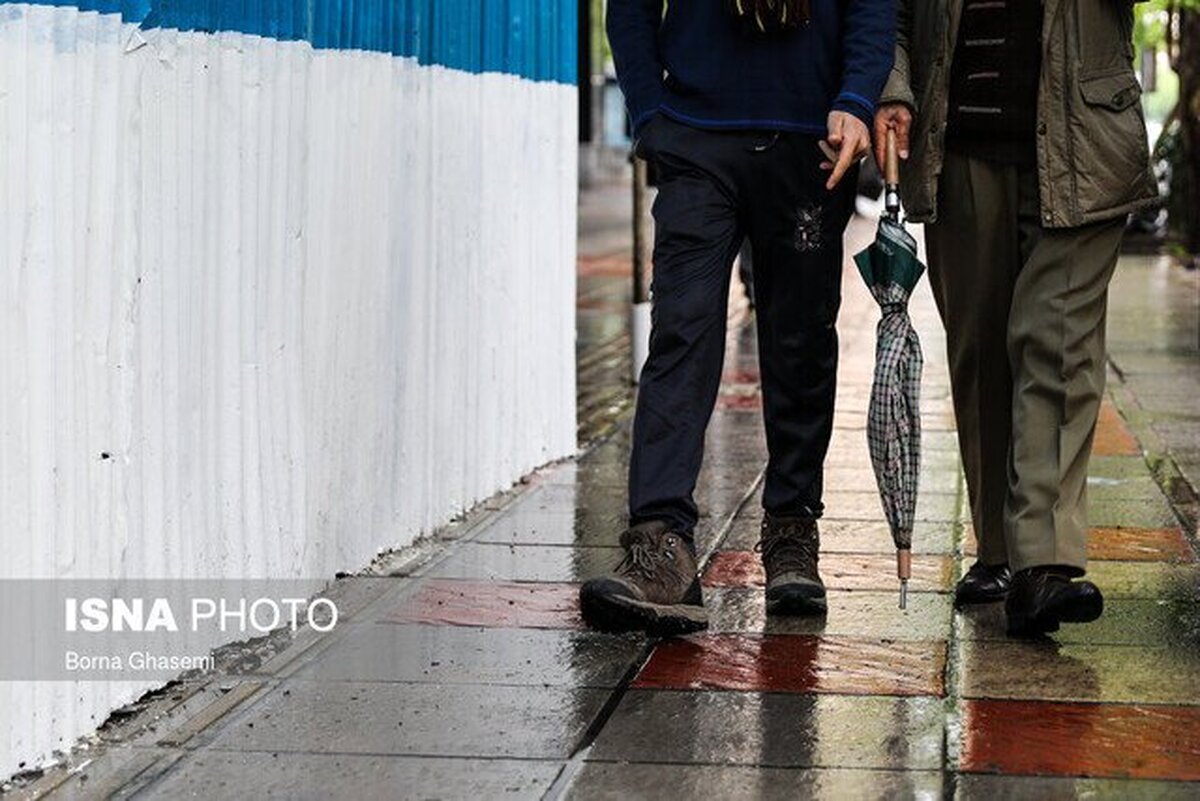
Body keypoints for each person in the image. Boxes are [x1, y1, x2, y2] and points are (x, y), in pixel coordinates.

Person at [579, 0, 895, 635]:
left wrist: (858, 98)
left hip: (813, 141)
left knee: (801, 345)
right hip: (696, 138)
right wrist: (649, 114)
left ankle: (792, 530)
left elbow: (872, 6)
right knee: (681, 334)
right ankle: (660, 543)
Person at [873, 0, 1156, 635]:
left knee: (1053, 344)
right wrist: (893, 88)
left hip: (1087, 142)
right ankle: (1000, 550)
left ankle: (1044, 562)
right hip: (960, 144)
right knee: (981, 351)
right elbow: (891, 13)